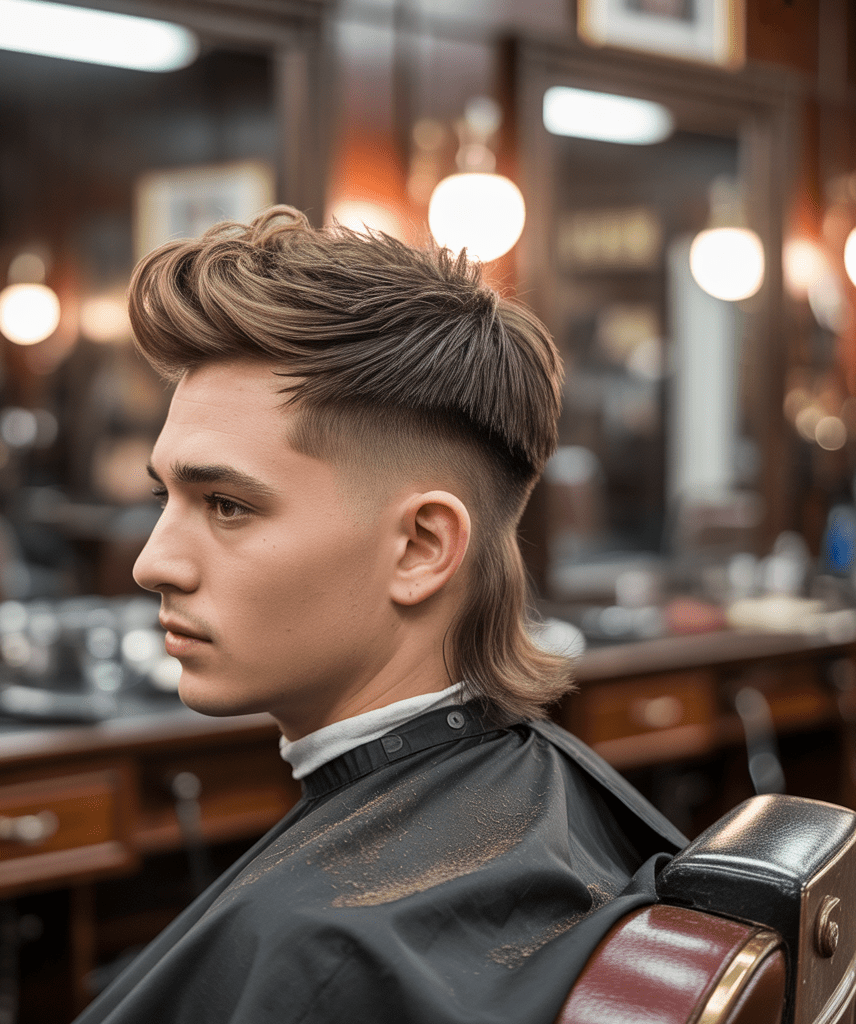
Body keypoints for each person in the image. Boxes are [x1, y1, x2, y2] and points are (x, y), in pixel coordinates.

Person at [77, 206, 685, 1024]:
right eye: (166, 496)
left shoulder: (319, 958)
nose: (154, 563)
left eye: (225, 504)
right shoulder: (551, 796)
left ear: (421, 548)